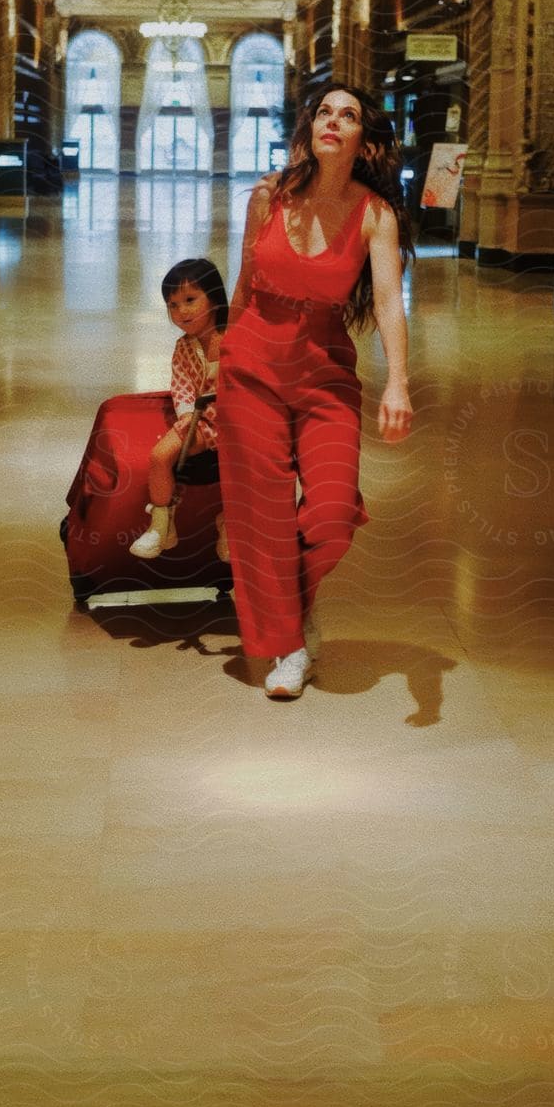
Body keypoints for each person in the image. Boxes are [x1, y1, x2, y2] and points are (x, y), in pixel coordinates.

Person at [218, 83, 414, 697]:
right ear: (310, 128)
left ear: (364, 140)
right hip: (250, 364)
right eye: (325, 112)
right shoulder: (268, 197)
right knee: (267, 516)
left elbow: (387, 303)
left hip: (325, 370)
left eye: (348, 115)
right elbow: (246, 284)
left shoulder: (375, 216)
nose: (334, 121)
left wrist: (399, 384)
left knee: (329, 517)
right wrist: (215, 358)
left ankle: (284, 599)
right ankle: (289, 646)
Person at [129, 257, 231, 561]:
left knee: (246, 466)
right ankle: (162, 523)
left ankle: (231, 522)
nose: (181, 311)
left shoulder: (234, 337)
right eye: (172, 305)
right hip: (202, 423)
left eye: (189, 300)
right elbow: (182, 384)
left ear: (213, 297)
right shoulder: (184, 347)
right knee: (160, 456)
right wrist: (186, 413)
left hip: (238, 424)